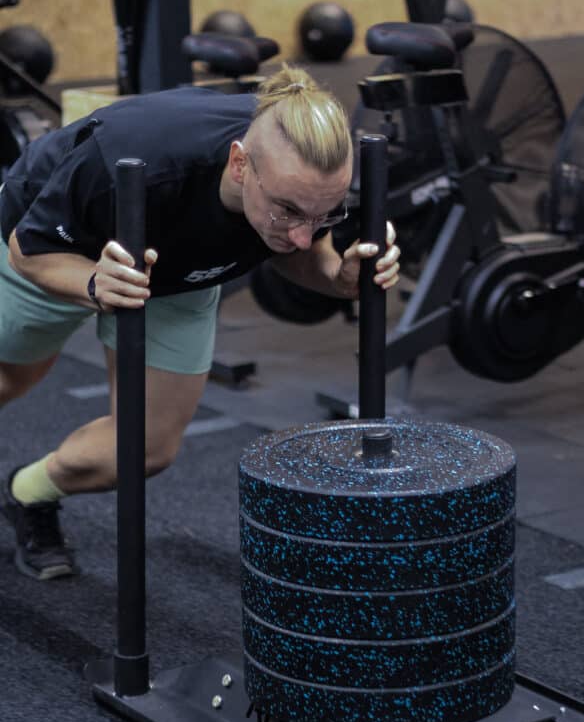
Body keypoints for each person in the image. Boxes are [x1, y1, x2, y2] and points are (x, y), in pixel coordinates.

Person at [0, 64, 400, 580]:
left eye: (322, 214)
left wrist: (340, 278)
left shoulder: (296, 180)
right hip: (63, 250)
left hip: (177, 273)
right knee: (13, 379)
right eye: (286, 210)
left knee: (145, 447)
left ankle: (26, 493)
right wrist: (96, 285)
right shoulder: (136, 153)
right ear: (239, 165)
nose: (303, 234)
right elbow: (28, 248)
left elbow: (305, 255)